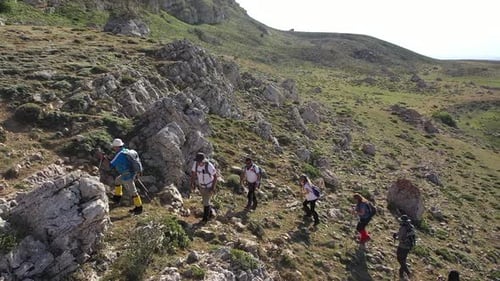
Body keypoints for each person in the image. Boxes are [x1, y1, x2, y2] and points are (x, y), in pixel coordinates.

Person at [104, 138, 143, 215]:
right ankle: (117, 198)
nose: (113, 148)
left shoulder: (120, 155)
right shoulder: (126, 151)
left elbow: (110, 165)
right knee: (117, 181)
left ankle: (139, 208)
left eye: (114, 147)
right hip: (131, 173)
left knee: (133, 192)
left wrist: (103, 159)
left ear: (117, 147)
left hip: (127, 176)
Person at [190, 152, 218, 223]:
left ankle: (205, 219)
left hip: (209, 186)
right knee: (205, 201)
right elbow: (193, 174)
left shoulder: (209, 166)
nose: (198, 163)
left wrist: (212, 188)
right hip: (201, 186)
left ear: (203, 160)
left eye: (199, 161)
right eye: (197, 161)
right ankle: (211, 212)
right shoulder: (196, 164)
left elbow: (215, 177)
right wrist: (192, 183)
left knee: (206, 202)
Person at [393, 215, 416, 280]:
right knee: (403, 260)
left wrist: (396, 237)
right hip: (408, 246)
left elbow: (400, 238)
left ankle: (408, 273)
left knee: (399, 259)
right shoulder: (410, 226)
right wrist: (397, 234)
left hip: (402, 246)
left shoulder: (403, 228)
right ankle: (401, 275)